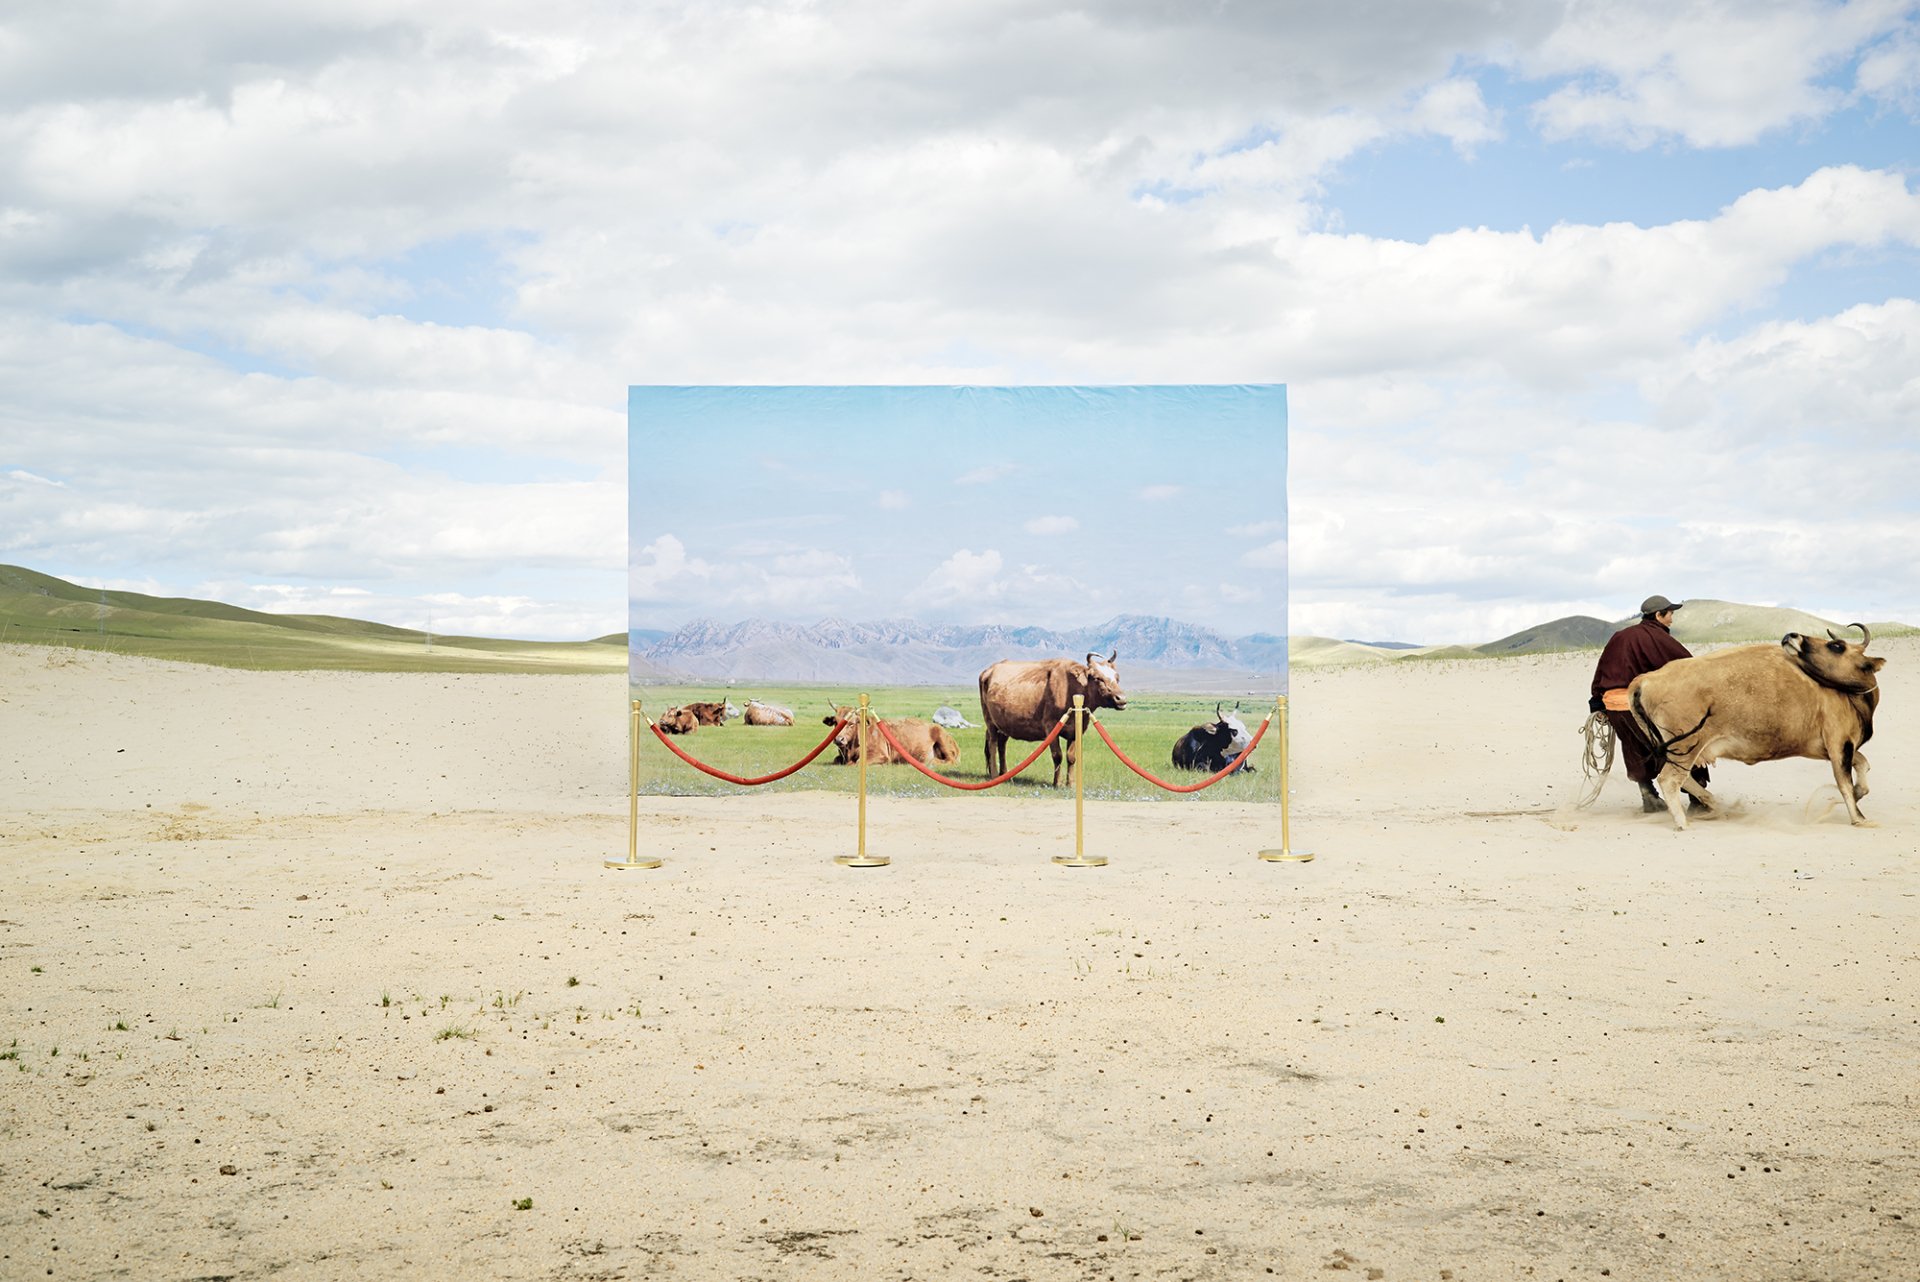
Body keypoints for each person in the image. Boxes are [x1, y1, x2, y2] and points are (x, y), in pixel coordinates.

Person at [1589, 595, 1709, 812]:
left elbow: (1602, 669)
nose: (1672, 619)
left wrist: (1597, 703)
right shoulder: (1658, 638)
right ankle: (1698, 799)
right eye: (1670, 614)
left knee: (1634, 748)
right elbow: (1688, 668)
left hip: (1614, 707)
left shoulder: (1619, 636)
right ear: (1658, 615)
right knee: (1683, 745)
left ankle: (1648, 796)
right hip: (1642, 706)